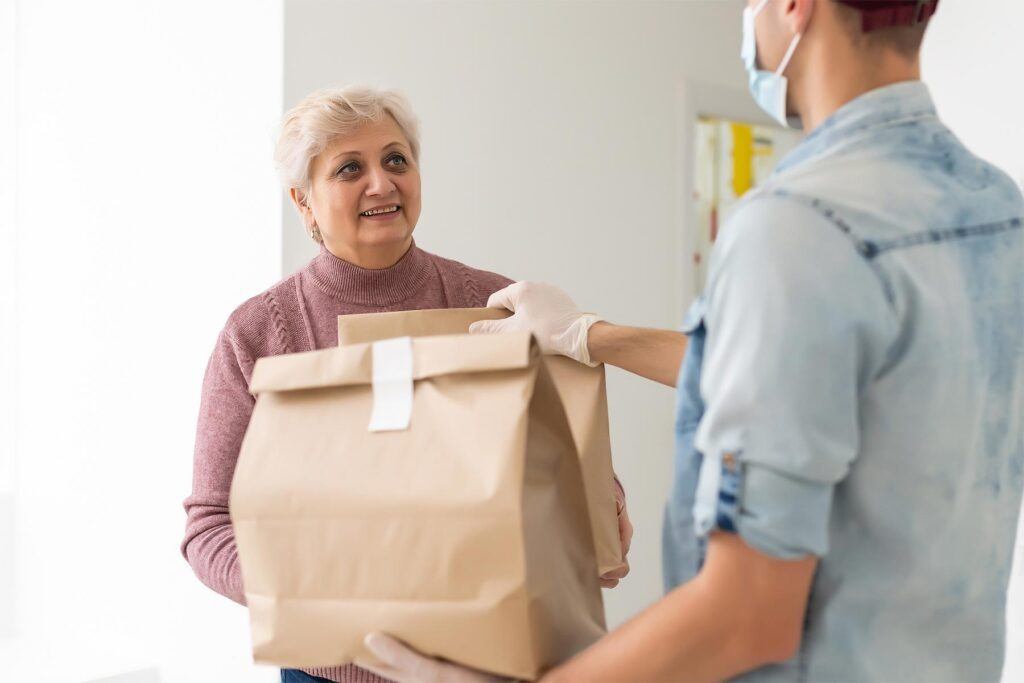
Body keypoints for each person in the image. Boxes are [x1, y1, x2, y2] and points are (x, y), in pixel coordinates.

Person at [359, 1, 1024, 681]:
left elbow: (748, 611)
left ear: (794, 7)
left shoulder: (799, 228)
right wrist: (588, 335)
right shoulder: (998, 206)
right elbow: (818, 391)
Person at [179, 85, 632, 683]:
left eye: (396, 159)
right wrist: (312, 591)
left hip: (491, 661)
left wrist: (600, 507)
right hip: (328, 673)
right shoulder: (256, 333)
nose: (381, 183)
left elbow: (561, 457)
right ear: (303, 201)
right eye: (349, 168)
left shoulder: (497, 304)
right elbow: (210, 526)